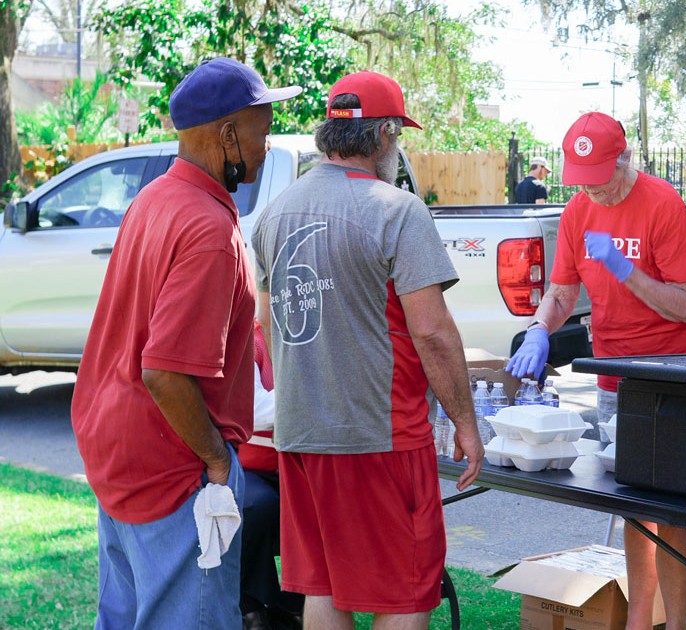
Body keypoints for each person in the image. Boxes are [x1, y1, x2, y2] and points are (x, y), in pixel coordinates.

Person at [70, 57, 299, 629]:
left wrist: (243, 335)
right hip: (171, 469)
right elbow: (164, 372)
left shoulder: (156, 198)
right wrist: (218, 463)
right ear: (227, 136)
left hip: (118, 452)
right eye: (261, 131)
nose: (267, 144)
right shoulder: (208, 228)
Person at [252, 70, 483, 630]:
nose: (396, 148)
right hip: (379, 436)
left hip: (301, 434)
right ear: (383, 136)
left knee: (324, 584)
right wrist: (466, 424)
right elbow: (432, 331)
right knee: (405, 593)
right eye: (397, 136)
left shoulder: (274, 213)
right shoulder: (396, 210)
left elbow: (268, 324)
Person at [507, 111, 686, 630]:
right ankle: (636, 622)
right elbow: (561, 291)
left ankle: (677, 624)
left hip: (675, 372)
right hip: (613, 372)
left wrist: (628, 272)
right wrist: (539, 328)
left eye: (599, 177)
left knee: (669, 509)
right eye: (581, 181)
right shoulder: (578, 212)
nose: (592, 191)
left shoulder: (663, 204)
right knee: (633, 505)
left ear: (624, 159)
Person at [240, 320, 305, 630]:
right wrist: (316, 395)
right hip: (252, 465)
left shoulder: (308, 330)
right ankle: (250, 606)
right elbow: (252, 410)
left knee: (315, 510)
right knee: (256, 505)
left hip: (303, 463)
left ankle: (294, 608)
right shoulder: (248, 337)